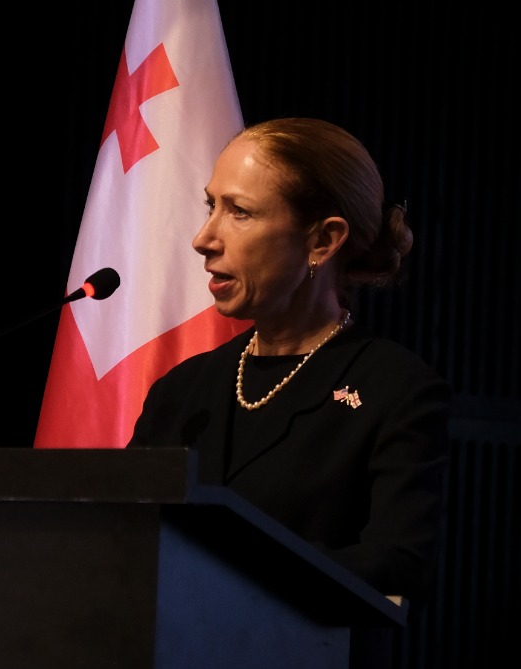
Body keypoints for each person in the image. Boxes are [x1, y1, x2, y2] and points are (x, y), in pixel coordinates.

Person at [127, 116, 451, 605]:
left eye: (239, 212)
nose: (204, 238)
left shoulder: (395, 390)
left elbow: (397, 564)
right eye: (212, 206)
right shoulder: (181, 391)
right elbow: (123, 536)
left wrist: (224, 569)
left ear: (323, 240)